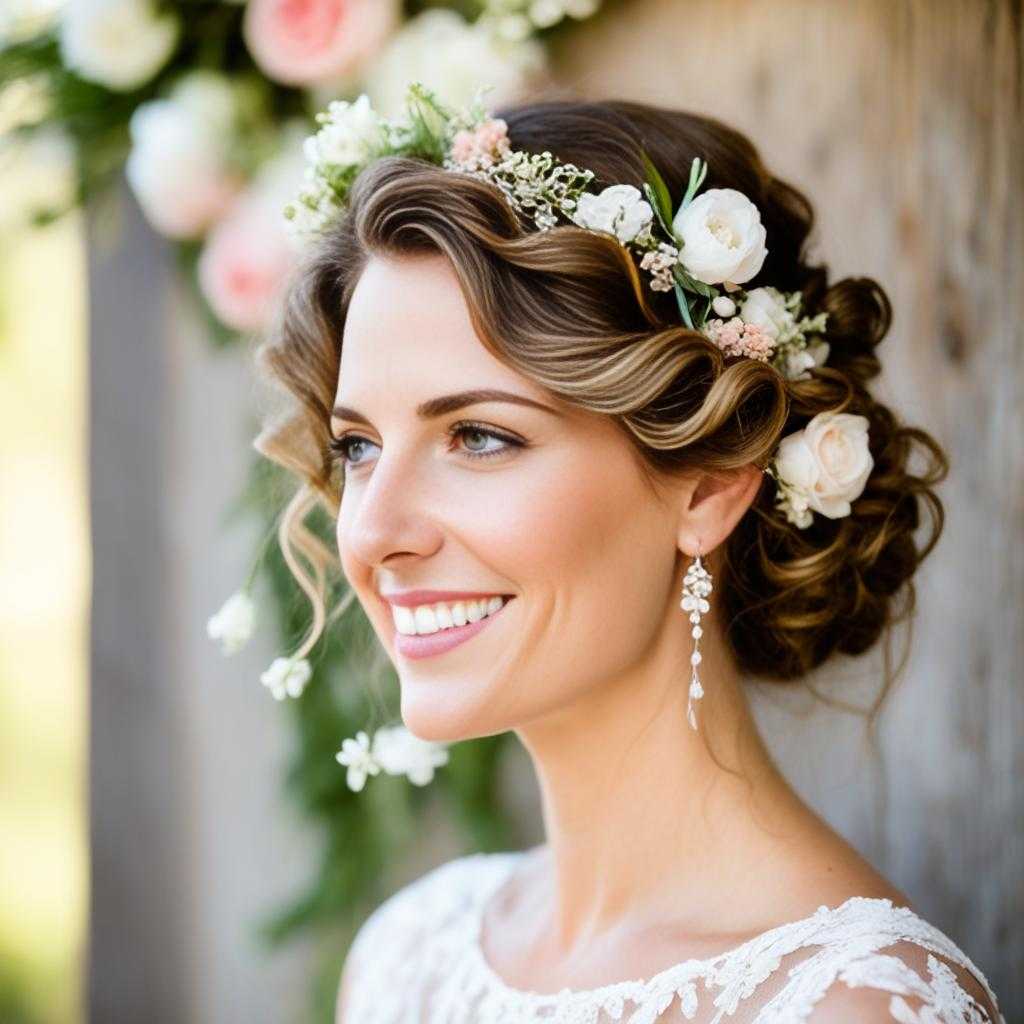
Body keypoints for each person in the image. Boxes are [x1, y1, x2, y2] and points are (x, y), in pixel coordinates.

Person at [253, 84, 1007, 1023]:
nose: (369, 532)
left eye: (480, 436)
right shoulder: (410, 954)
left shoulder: (848, 1006)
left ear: (708, 484)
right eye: (358, 446)